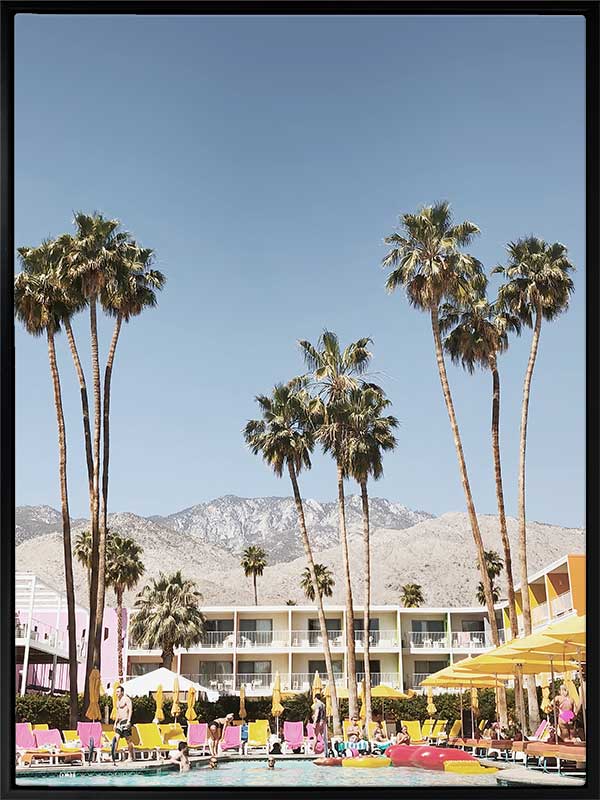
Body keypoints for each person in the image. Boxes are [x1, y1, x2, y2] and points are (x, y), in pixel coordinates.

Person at [113, 685, 135, 761]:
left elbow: (130, 710)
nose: (117, 693)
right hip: (120, 722)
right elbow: (118, 713)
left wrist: (129, 721)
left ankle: (130, 757)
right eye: (116, 692)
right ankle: (113, 755)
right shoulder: (117, 701)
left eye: (118, 692)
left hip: (126, 721)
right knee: (116, 738)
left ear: (122, 692)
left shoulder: (126, 699)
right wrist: (115, 723)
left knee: (128, 740)